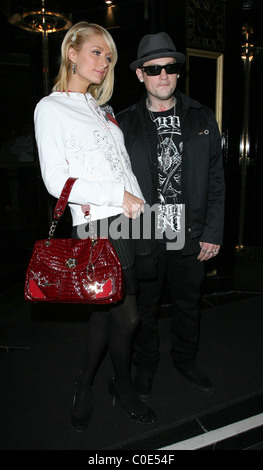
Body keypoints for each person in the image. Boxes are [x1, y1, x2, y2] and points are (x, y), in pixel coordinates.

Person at [34, 22, 157, 431]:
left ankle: (84, 383)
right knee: (128, 317)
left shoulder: (100, 110)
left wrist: (146, 214)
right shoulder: (51, 107)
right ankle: (120, 385)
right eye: (96, 52)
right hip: (96, 222)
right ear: (72, 53)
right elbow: (55, 180)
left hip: (129, 221)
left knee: (105, 313)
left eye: (109, 57)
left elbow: (122, 168)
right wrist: (115, 195)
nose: (104, 62)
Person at [117, 32, 225, 400]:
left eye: (170, 67)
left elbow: (215, 180)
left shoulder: (201, 116)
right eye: (153, 68)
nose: (163, 75)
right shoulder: (123, 123)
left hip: (189, 228)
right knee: (144, 307)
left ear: (178, 73)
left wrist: (213, 231)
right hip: (143, 230)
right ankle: (145, 365)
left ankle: (185, 359)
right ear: (140, 75)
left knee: (187, 303)